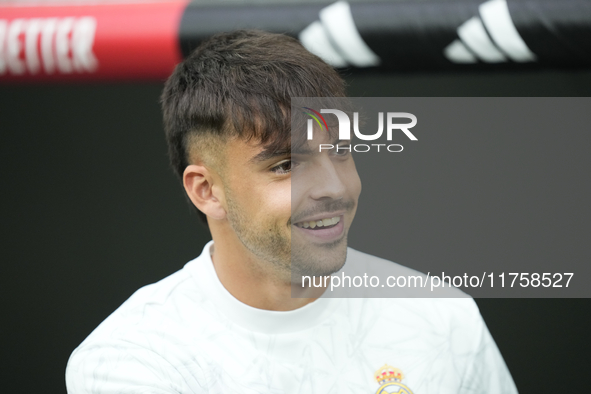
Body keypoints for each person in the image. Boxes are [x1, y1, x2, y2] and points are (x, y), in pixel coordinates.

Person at [66, 30, 517, 394]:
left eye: (341, 152)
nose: (335, 188)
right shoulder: (131, 359)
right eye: (285, 165)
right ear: (206, 191)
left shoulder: (439, 316)